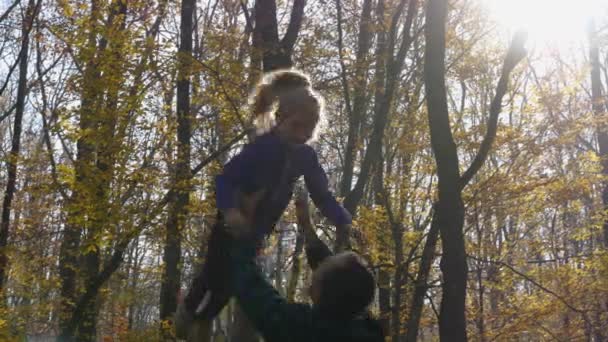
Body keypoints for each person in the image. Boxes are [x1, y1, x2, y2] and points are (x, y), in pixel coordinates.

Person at [180, 69, 352, 324]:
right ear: (280, 118)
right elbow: (225, 179)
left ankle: (200, 322)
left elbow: (321, 194)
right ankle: (187, 312)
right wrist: (230, 212)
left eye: (310, 128)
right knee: (214, 276)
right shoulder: (261, 148)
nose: (303, 134)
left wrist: (344, 219)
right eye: (297, 125)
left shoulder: (305, 156)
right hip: (230, 225)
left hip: (257, 231)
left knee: (230, 286)